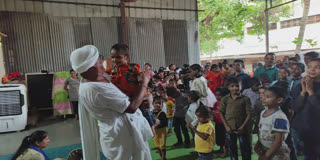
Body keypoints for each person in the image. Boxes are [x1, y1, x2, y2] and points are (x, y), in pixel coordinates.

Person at [70, 45, 152, 160]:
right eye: (99, 61)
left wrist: (140, 99)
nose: (103, 62)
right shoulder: (97, 89)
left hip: (125, 134)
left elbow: (121, 99)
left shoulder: (96, 78)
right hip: (124, 140)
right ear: (91, 66)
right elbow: (131, 107)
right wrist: (144, 83)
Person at [291, 58, 320, 159]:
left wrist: (311, 92)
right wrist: (303, 92)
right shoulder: (300, 86)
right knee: (307, 156)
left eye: (317, 67)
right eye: (309, 67)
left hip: (317, 130)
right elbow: (296, 107)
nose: (312, 70)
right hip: (304, 129)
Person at [219, 77, 252, 160]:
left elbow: (249, 114)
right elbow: (221, 113)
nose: (235, 88)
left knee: (245, 149)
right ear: (228, 87)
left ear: (241, 86)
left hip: (242, 129)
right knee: (232, 149)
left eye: (237, 86)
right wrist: (226, 126)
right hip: (230, 128)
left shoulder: (245, 99)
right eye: (232, 86)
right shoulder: (225, 99)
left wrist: (243, 127)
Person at [254, 87, 290, 160]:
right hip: (266, 150)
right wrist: (258, 144)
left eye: (267, 97)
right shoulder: (263, 113)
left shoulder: (279, 117)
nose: (263, 98)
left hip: (278, 153)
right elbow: (262, 131)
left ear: (279, 100)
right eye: (263, 95)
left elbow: (278, 142)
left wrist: (267, 156)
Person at [213, 87, 229, 158]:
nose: (217, 97)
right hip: (218, 123)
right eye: (216, 95)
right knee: (219, 137)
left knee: (226, 139)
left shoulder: (226, 103)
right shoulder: (216, 103)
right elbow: (214, 111)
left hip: (224, 124)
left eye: (219, 95)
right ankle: (221, 149)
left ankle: (226, 152)